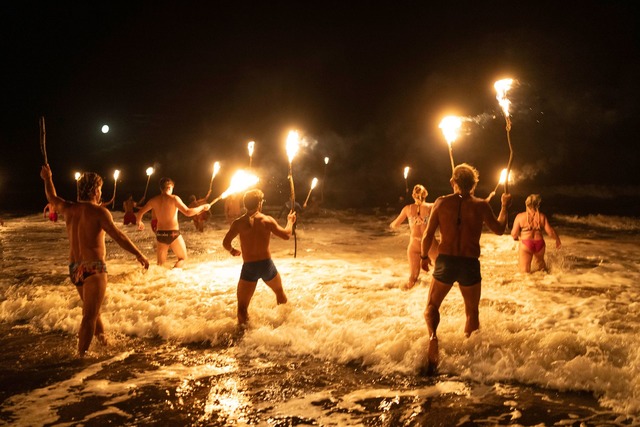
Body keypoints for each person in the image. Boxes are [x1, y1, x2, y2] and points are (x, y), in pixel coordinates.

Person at [40, 164, 149, 357]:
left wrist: (48, 178)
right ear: (94, 190)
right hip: (94, 268)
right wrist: (138, 254)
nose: (101, 193)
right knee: (89, 317)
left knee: (94, 312)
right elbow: (119, 236)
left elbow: (52, 198)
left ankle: (104, 343)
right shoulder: (99, 212)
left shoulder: (69, 208)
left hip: (75, 269)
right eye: (99, 189)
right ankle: (80, 358)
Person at [420, 163, 511, 374]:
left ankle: (433, 337)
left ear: (453, 182)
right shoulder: (481, 205)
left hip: (446, 261)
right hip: (469, 264)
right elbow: (499, 229)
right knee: (472, 313)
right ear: (473, 185)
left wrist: (424, 257)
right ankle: (470, 359)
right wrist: (505, 206)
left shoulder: (441, 203)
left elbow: (427, 235)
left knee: (432, 306)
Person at [222, 189, 296, 326]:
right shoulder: (266, 220)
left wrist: (232, 251)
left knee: (242, 307)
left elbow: (225, 243)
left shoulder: (238, 223)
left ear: (245, 204)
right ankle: (286, 325)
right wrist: (290, 221)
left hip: (249, 267)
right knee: (279, 293)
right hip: (266, 265)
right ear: (259, 204)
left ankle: (244, 336)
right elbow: (286, 235)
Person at [136, 177, 210, 268]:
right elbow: (188, 212)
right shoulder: (174, 198)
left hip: (160, 234)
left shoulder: (153, 200)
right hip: (173, 233)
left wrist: (139, 222)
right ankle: (173, 273)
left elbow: (140, 212)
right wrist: (202, 207)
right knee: (182, 259)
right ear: (170, 187)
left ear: (161, 188)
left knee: (160, 265)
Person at [390, 184, 439, 290]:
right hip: (429, 244)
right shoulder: (432, 207)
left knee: (413, 278)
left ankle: (404, 295)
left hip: (414, 244)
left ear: (413, 195)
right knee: (442, 273)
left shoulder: (407, 209)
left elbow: (394, 225)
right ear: (425, 194)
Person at [510, 194, 561, 273]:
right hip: (540, 243)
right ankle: (545, 283)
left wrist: (517, 237)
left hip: (526, 243)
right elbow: (550, 231)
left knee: (525, 272)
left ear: (526, 204)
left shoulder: (520, 216)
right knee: (541, 270)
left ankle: (531, 285)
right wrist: (557, 240)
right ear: (537, 204)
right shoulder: (542, 216)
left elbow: (514, 234)